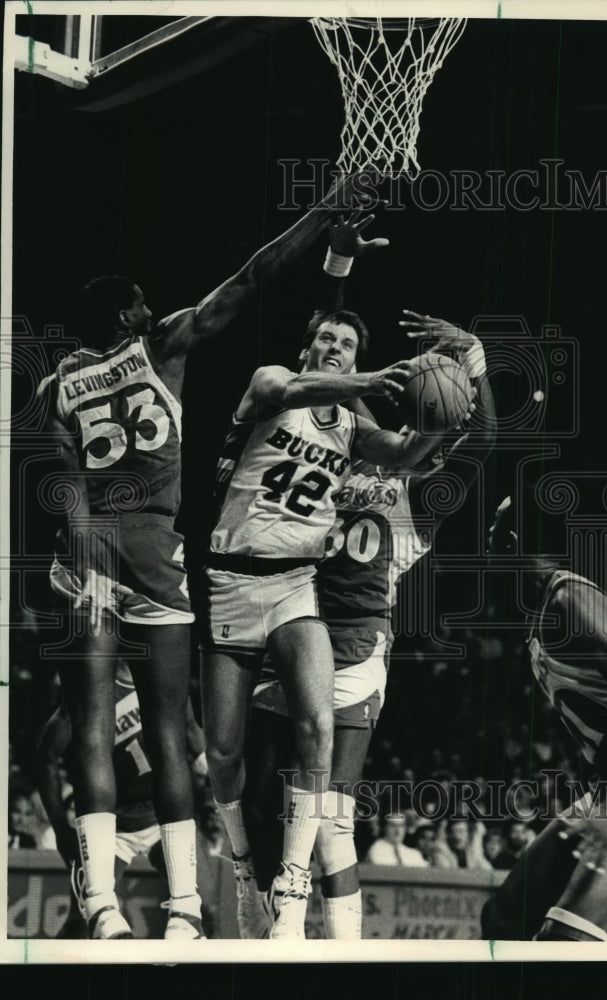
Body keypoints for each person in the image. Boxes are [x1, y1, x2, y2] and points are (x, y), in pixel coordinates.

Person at [37, 170, 367, 940]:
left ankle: (104, 908)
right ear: (127, 313)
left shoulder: (57, 384)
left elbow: (62, 486)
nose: (150, 306)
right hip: (157, 552)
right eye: (141, 300)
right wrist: (322, 213)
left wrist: (85, 558)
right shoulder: (164, 344)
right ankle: (185, 907)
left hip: (87, 555)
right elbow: (253, 276)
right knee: (166, 725)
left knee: (89, 728)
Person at [199, 212, 459, 939]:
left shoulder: (349, 426)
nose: (333, 348)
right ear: (307, 347)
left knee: (316, 725)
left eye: (343, 343)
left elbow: (407, 454)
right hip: (228, 579)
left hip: (295, 588)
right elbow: (288, 395)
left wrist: (452, 399)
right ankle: (244, 868)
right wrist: (364, 372)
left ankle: (289, 890)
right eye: (327, 340)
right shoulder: (270, 381)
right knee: (221, 755)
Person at [242, 257, 497, 936]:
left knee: (326, 794)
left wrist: (472, 357)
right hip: (290, 620)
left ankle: (297, 923)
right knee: (293, 796)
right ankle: (328, 929)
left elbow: (488, 437)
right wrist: (336, 270)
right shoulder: (357, 442)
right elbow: (330, 352)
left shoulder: (425, 496)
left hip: (355, 641)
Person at [480, 494, 607, 942]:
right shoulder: (546, 606)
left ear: (512, 540)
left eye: (494, 529)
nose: (486, 539)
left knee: (566, 938)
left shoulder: (572, 599)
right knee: (504, 917)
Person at [35, 661, 208, 939]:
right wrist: (60, 829)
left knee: (204, 906)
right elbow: (45, 756)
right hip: (113, 825)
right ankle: (59, 978)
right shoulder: (92, 688)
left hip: (160, 818)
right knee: (84, 919)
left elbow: (196, 743)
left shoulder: (164, 677)